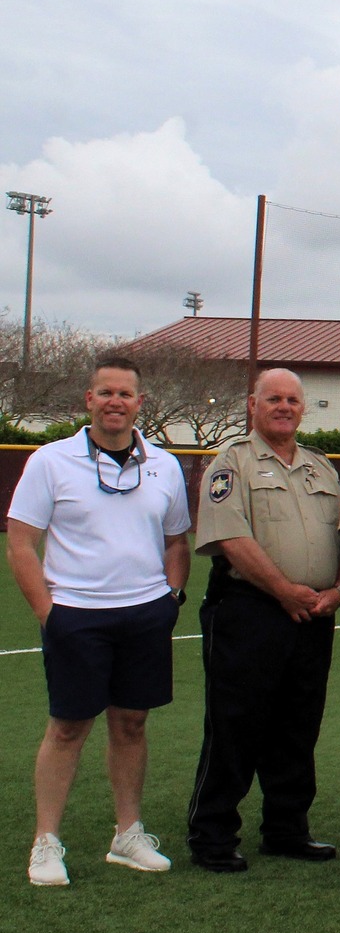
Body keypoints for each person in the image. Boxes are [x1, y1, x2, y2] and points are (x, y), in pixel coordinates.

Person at [11, 356, 191, 887]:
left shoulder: (163, 464)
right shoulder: (51, 460)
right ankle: (46, 842)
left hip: (144, 617)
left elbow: (177, 540)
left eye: (126, 394)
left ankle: (127, 835)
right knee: (68, 728)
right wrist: (50, 614)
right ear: (88, 399)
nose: (116, 402)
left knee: (132, 723)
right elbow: (21, 542)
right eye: (105, 392)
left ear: (140, 403)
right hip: (76, 616)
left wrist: (170, 598)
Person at [185, 368, 340, 873]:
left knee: (298, 725)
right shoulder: (231, 463)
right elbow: (229, 537)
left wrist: (339, 589)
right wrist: (283, 591)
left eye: (292, 400)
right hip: (250, 610)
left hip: (315, 614)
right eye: (273, 398)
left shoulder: (321, 468)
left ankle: (286, 828)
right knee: (236, 724)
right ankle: (212, 834)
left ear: (303, 409)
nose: (284, 407)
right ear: (252, 405)